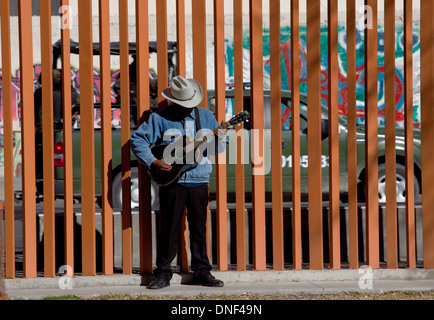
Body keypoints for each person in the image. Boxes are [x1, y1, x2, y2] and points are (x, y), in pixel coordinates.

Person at [130, 75, 227, 289]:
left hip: (199, 180)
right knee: (169, 229)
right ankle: (163, 273)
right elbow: (138, 140)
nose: (187, 108)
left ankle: (202, 271)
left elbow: (219, 149)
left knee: (199, 229)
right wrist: (153, 161)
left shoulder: (206, 117)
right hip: (172, 182)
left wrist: (220, 138)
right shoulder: (159, 118)